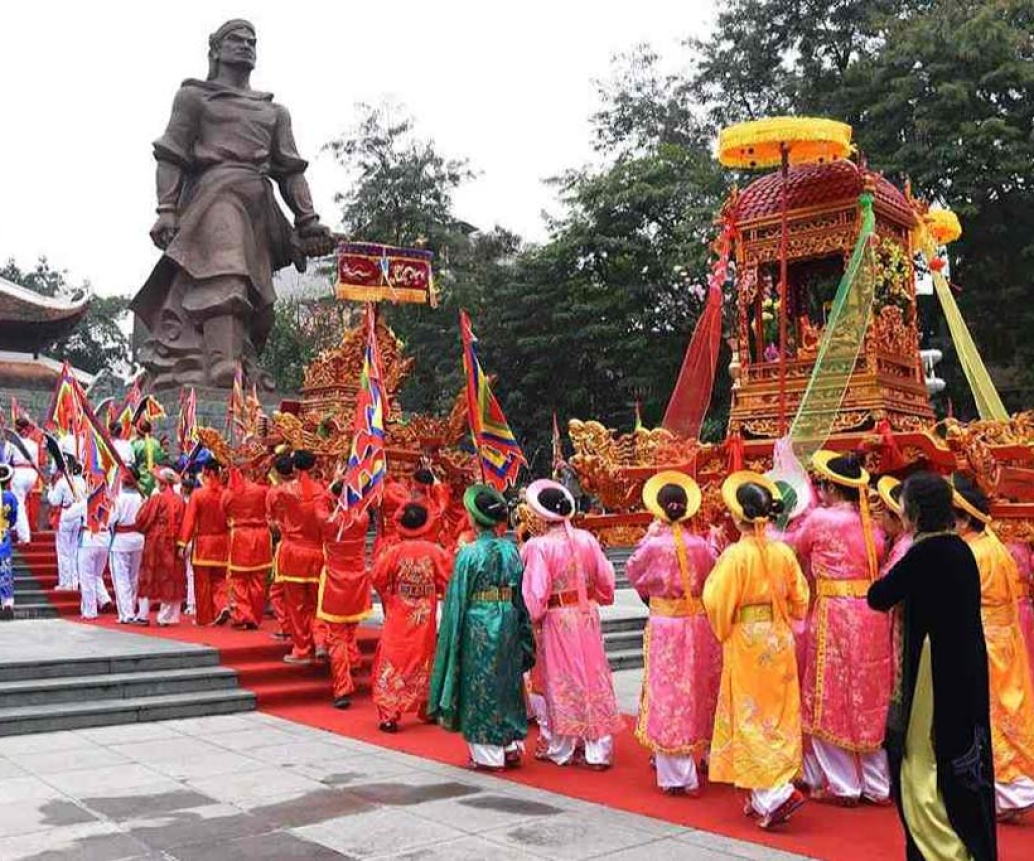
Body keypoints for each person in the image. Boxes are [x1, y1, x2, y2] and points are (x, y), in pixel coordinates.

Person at [131, 18, 333, 389]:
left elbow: (290, 170)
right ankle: (220, 363)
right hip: (215, 194)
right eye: (236, 40)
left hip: (259, 204)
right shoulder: (194, 98)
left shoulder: (275, 112)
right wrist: (166, 210)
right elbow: (171, 154)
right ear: (216, 50)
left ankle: (241, 359)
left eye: (252, 42)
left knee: (262, 301)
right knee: (226, 271)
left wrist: (307, 221)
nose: (246, 47)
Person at [868, 471, 996, 861]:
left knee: (918, 763)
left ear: (916, 513)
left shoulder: (923, 553)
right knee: (965, 761)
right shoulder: (961, 551)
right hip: (968, 670)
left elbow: (878, 596)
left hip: (932, 673)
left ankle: (944, 849)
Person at [702, 471, 810, 830]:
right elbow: (801, 598)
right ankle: (767, 787)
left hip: (747, 639)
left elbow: (715, 600)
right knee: (778, 711)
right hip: (779, 636)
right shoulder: (783, 551)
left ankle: (773, 793)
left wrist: (725, 627)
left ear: (738, 516)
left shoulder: (735, 555)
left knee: (751, 713)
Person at [790, 450, 891, 806]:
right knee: (867, 694)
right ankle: (877, 785)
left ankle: (845, 784)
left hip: (834, 612)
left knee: (828, 695)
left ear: (832, 486)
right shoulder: (872, 523)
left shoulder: (820, 520)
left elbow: (795, 548)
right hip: (870, 614)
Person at [625, 471, 720, 795]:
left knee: (668, 692)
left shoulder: (653, 546)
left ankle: (678, 774)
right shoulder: (702, 546)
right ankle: (702, 752)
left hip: (667, 624)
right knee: (696, 686)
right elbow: (714, 576)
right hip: (697, 623)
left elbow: (633, 572)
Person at [429, 484, 535, 770]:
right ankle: (511, 744)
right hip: (510, 616)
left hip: (479, 620)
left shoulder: (469, 553)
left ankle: (488, 753)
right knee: (508, 679)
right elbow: (519, 591)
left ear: (475, 520)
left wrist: (450, 631)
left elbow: (457, 597)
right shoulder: (512, 550)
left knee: (481, 683)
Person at [520, 479, 623, 769]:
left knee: (562, 677)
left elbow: (536, 593)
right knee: (593, 674)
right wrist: (598, 599)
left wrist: (533, 616)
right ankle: (598, 748)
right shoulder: (587, 539)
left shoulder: (538, 547)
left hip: (558, 618)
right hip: (586, 614)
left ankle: (562, 746)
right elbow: (606, 579)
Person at [952, 474, 1034, 822]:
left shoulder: (970, 552)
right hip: (1006, 639)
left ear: (966, 517)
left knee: (989, 715)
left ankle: (1006, 791)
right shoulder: (995, 546)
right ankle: (1017, 787)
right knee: (1009, 709)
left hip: (983, 640)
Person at [370, 501, 452, 732]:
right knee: (424, 657)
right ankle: (427, 707)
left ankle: (389, 714)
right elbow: (449, 577)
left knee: (393, 657)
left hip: (399, 613)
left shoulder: (393, 552)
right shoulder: (435, 551)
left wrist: (390, 596)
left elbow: (377, 577)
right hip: (424, 616)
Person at [316, 482, 373, 709]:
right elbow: (363, 504)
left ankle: (342, 687)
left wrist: (332, 486)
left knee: (336, 636)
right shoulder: (362, 520)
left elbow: (319, 503)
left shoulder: (328, 522)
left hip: (335, 582)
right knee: (350, 629)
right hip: (357, 581)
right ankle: (354, 661)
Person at [267, 450, 326, 663]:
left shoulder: (281, 492)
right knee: (316, 603)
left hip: (292, 553)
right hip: (317, 553)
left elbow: (273, 522)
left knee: (296, 605)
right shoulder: (322, 492)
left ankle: (302, 649)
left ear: (293, 468)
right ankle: (320, 640)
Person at [178, 457, 230, 625]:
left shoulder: (198, 494)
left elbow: (189, 521)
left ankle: (205, 618)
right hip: (223, 542)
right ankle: (222, 604)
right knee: (220, 580)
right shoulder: (226, 494)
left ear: (206, 472)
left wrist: (182, 543)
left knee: (202, 582)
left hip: (203, 544)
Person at [221, 467, 272, 630]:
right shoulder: (262, 491)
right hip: (261, 537)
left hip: (240, 537)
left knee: (238, 579)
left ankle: (243, 614)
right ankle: (255, 616)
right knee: (258, 579)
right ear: (249, 472)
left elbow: (223, 512)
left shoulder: (229, 493)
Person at [136, 467, 187, 626]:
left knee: (148, 577)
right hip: (174, 540)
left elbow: (142, 519)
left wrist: (145, 505)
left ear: (162, 483)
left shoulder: (157, 499)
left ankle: (143, 615)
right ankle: (169, 615)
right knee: (173, 577)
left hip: (156, 540)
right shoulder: (180, 500)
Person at [108, 467, 146, 624]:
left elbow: (111, 520)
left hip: (122, 540)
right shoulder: (142, 498)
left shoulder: (119, 499)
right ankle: (130, 609)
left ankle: (126, 613)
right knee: (133, 577)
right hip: (138, 539)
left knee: (121, 578)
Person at [47, 455, 86, 592]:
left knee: (64, 551)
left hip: (67, 514)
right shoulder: (82, 481)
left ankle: (66, 582)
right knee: (74, 550)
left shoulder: (63, 482)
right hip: (78, 516)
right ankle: (75, 581)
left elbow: (54, 501)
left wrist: (50, 489)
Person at [9, 417, 39, 544]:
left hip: (19, 473)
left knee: (19, 504)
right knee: (21, 501)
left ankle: (24, 536)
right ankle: (16, 525)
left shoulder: (12, 444)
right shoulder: (34, 444)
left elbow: (7, 458)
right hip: (31, 474)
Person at [0, 466, 19, 619]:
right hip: (4, 533)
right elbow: (13, 518)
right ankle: (8, 602)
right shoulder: (11, 497)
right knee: (5, 568)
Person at [132, 420, 166, 496]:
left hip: (141, 482)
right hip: (155, 480)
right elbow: (161, 459)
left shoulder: (136, 445)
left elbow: (133, 462)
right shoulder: (156, 443)